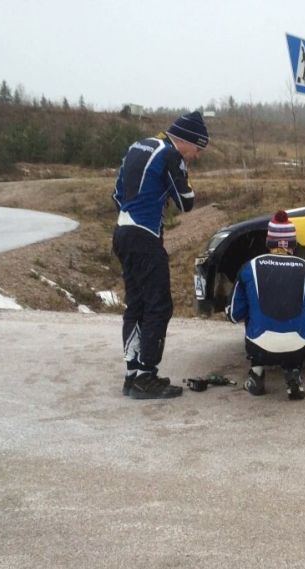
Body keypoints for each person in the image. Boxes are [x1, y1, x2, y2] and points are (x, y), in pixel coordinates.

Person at [112, 111, 208, 399]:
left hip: (123, 231)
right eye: (198, 148)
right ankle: (146, 376)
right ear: (187, 141)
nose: (197, 155)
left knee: (136, 305)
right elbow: (185, 202)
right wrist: (181, 176)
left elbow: (117, 194)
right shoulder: (169, 154)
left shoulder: (138, 146)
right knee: (158, 306)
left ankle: (132, 374)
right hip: (145, 236)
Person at [227, 211, 305, 400]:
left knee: (253, 311)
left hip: (260, 347)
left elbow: (234, 314)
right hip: (299, 348)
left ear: (269, 242)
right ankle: (293, 374)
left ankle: (256, 376)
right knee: (299, 314)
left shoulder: (250, 266)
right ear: (293, 243)